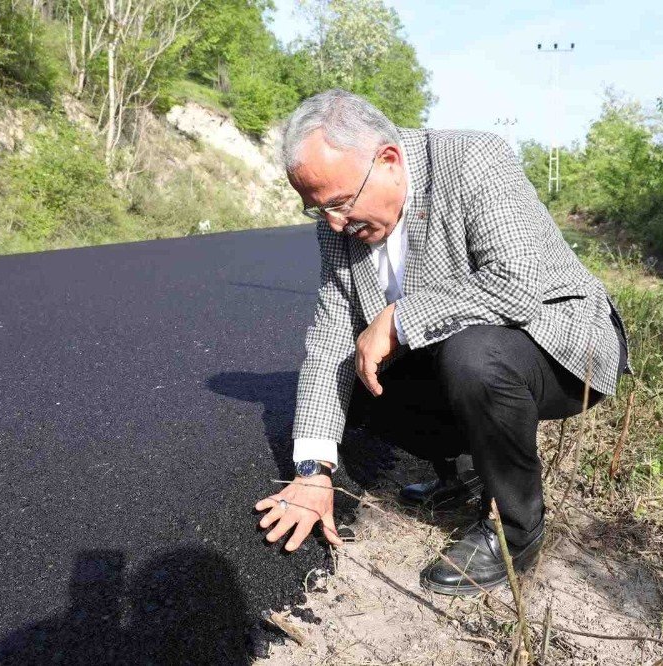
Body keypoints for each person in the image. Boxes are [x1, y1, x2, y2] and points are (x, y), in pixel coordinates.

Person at [253, 88, 631, 596]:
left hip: (562, 344)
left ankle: (515, 530)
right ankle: (463, 472)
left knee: (469, 354)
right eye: (317, 210)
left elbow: (517, 285)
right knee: (357, 371)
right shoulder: (336, 228)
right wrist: (312, 470)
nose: (335, 224)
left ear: (388, 160)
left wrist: (395, 319)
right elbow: (328, 341)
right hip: (466, 349)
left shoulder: (473, 158)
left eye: (340, 204)